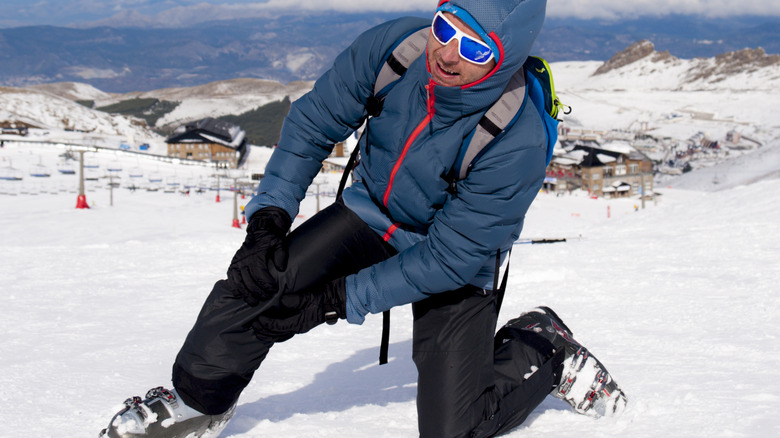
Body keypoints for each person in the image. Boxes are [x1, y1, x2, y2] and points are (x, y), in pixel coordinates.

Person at [100, 1, 627, 437]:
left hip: (454, 263)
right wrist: (269, 219)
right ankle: (199, 401)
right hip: (370, 214)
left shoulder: (518, 137)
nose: (447, 53)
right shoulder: (398, 49)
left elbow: (450, 256)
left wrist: (333, 302)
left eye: (474, 47)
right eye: (446, 27)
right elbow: (313, 122)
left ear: (503, 57)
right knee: (258, 280)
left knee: (455, 429)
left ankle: (543, 346)